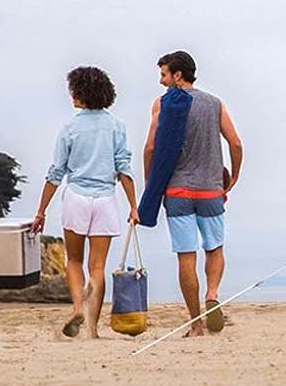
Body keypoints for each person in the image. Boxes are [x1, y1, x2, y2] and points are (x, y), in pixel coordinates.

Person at [32, 67, 139, 339]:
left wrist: (41, 211)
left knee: (74, 260)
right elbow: (124, 169)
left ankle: (78, 307)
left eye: (74, 91)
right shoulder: (116, 126)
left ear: (82, 93)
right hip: (104, 200)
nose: (71, 96)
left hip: (77, 198)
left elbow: (56, 173)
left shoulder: (69, 128)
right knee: (98, 267)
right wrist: (134, 206)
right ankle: (92, 328)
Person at [144, 51, 242, 337]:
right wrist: (234, 175)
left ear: (178, 75)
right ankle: (212, 294)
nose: (161, 81)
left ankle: (196, 323)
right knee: (214, 248)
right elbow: (235, 143)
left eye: (164, 74)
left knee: (186, 257)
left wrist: (152, 183)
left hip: (177, 191)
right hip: (211, 190)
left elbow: (150, 148)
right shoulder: (215, 104)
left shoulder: (162, 104)